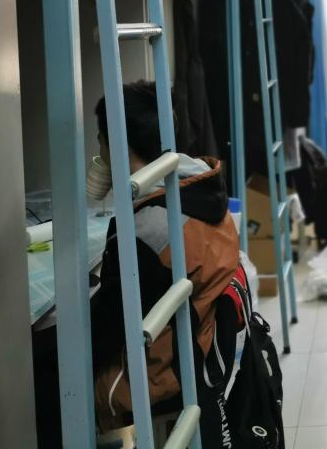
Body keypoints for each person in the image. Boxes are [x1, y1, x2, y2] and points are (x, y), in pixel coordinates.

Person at [89, 81, 240, 437]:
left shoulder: (144, 231)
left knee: (38, 375)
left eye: (101, 140)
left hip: (163, 373)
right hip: (200, 351)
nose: (99, 149)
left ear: (117, 146)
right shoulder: (202, 186)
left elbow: (105, 332)